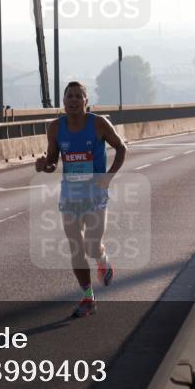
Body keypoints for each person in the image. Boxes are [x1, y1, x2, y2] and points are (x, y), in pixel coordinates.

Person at [36, 82, 126, 318]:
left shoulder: (98, 123)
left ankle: (102, 258)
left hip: (95, 193)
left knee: (92, 246)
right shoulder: (55, 127)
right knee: (76, 247)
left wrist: (108, 177)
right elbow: (53, 161)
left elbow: (121, 148)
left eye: (78, 96)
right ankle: (88, 297)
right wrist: (44, 164)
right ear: (63, 101)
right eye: (69, 97)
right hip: (70, 194)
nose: (73, 100)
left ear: (86, 101)